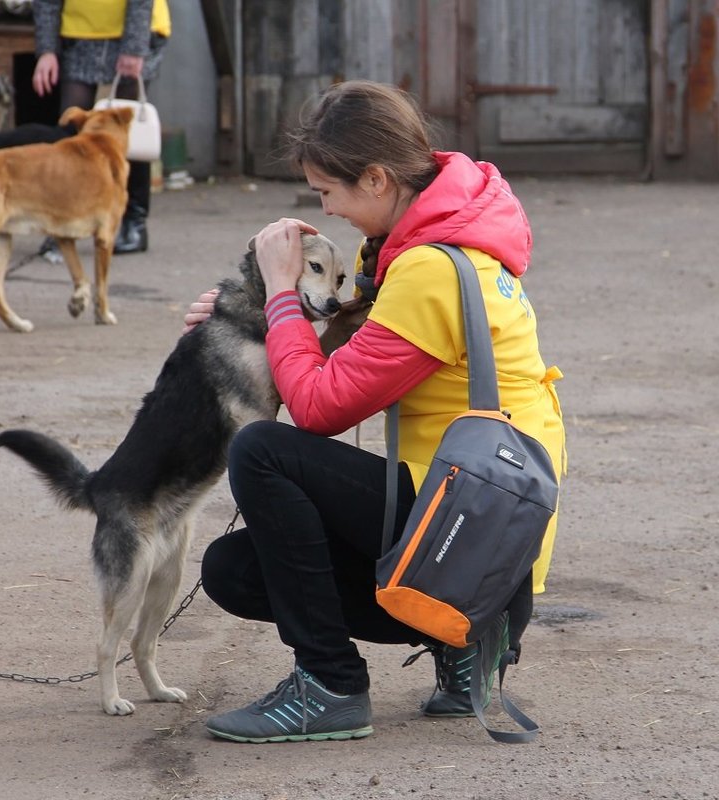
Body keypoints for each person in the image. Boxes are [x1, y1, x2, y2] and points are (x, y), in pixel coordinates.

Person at [183, 80, 566, 743]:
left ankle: (330, 684)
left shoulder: (430, 273)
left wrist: (278, 288)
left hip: (471, 541)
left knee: (263, 451)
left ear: (379, 179)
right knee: (233, 570)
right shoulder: (440, 235)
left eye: (328, 192)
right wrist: (244, 321)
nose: (327, 210)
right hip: (483, 525)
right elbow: (332, 353)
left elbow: (320, 405)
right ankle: (465, 649)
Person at [31, 0, 170, 254]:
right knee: (70, 129)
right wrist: (46, 50)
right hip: (79, 31)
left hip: (137, 28)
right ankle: (61, 222)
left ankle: (134, 223)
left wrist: (135, 47)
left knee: (129, 134)